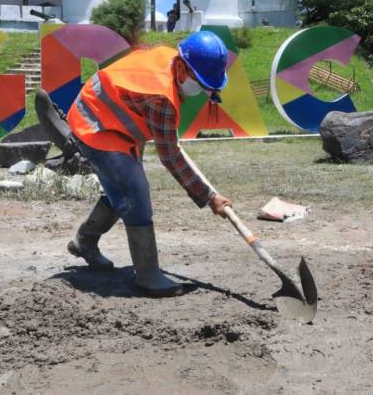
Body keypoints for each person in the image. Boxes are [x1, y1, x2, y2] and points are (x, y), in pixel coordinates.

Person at [35, 31, 233, 297]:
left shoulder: (171, 58)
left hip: (114, 116)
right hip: (96, 124)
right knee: (134, 191)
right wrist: (209, 197)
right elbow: (170, 156)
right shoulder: (161, 96)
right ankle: (148, 275)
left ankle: (85, 241)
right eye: (201, 84)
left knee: (121, 188)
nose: (204, 91)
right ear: (184, 69)